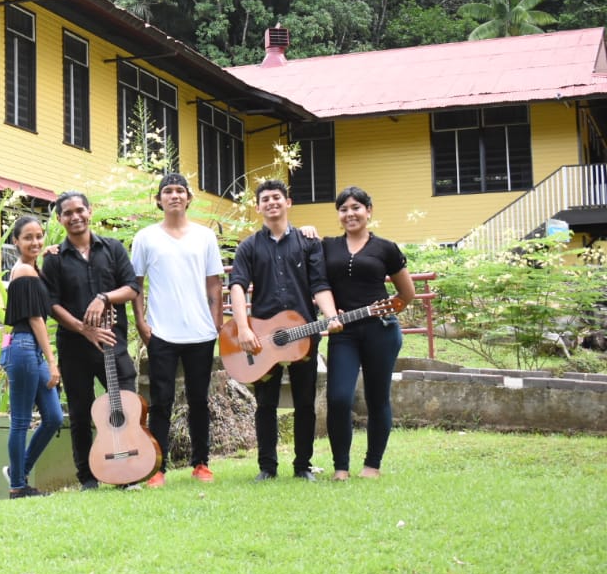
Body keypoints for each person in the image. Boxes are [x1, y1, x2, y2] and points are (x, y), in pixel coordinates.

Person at [228, 180, 341, 482]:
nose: (271, 203)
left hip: (304, 334)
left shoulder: (309, 243)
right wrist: (243, 328)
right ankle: (267, 468)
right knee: (266, 405)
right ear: (258, 207)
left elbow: (320, 284)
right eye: (265, 199)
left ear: (288, 202)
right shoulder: (248, 246)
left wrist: (330, 316)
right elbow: (237, 285)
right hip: (262, 339)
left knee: (305, 402)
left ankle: (302, 466)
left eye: (277, 198)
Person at [41, 191, 140, 491]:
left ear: (90, 212)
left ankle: (129, 473)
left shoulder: (112, 249)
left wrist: (104, 297)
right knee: (81, 413)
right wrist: (83, 329)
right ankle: (88, 478)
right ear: (60, 219)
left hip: (113, 343)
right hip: (75, 348)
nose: (75, 217)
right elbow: (51, 304)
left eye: (79, 210)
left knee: (125, 407)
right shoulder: (55, 258)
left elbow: (132, 287)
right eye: (67, 213)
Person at [130, 173, 224, 486]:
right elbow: (137, 284)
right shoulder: (145, 238)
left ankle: (201, 463)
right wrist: (141, 321)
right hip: (162, 333)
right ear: (159, 200)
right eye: (167, 191)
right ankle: (157, 467)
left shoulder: (205, 236)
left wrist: (216, 321)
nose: (174, 196)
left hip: (201, 332)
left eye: (179, 191)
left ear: (188, 198)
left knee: (199, 399)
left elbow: (214, 282)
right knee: (161, 400)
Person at [319, 186, 417, 481]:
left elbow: (406, 293)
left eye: (356, 208)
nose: (350, 214)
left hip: (380, 331)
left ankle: (372, 465)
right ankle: (340, 467)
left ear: (368, 210)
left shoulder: (386, 248)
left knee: (377, 398)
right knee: (338, 398)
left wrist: (386, 313)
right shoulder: (327, 246)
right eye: (344, 209)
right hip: (343, 332)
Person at [1, 215, 63, 499]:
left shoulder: (30, 269)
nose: (35, 242)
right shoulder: (23, 272)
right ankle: (17, 486)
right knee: (21, 422)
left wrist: (47, 251)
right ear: (15, 241)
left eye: (39, 236)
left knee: (53, 417)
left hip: (31, 350)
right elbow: (37, 318)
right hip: (26, 347)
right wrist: (52, 361)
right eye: (28, 237)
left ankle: (18, 471)